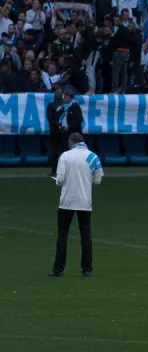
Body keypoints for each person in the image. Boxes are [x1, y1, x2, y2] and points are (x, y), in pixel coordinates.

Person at [49, 133, 103, 277]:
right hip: (84, 201)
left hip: (67, 201)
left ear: (71, 142)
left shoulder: (65, 156)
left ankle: (58, 268)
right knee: (86, 234)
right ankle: (87, 269)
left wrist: (58, 180)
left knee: (62, 234)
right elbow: (97, 180)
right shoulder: (92, 157)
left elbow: (60, 179)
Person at [46, 86, 64, 178]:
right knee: (55, 152)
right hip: (55, 130)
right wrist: (58, 124)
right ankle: (54, 170)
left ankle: (64, 171)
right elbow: (49, 118)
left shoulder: (65, 105)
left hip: (63, 131)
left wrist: (62, 124)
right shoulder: (51, 105)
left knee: (64, 151)